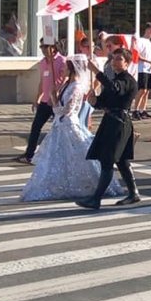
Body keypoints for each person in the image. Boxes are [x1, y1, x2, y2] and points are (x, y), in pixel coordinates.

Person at [21, 55, 124, 201]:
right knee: (58, 158)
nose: (62, 70)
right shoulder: (66, 85)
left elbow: (66, 110)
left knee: (78, 156)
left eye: (65, 68)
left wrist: (54, 99)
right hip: (60, 125)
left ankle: (93, 184)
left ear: (72, 69)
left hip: (69, 124)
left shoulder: (76, 87)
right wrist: (54, 96)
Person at [76, 49, 141, 210]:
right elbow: (103, 102)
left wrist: (96, 71)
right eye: (113, 58)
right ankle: (133, 193)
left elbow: (115, 88)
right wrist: (94, 100)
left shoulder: (128, 80)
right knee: (121, 160)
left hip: (120, 122)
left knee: (108, 159)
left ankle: (96, 199)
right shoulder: (114, 78)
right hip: (110, 121)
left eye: (119, 59)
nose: (114, 61)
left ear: (127, 63)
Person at [15, 40, 67, 164]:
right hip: (45, 101)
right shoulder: (43, 62)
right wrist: (38, 98)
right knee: (36, 127)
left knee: (61, 128)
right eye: (41, 47)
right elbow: (42, 82)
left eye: (45, 46)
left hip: (57, 101)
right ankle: (29, 154)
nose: (43, 49)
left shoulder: (62, 61)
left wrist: (54, 96)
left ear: (53, 47)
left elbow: (64, 80)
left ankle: (65, 153)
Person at [132, 23, 151, 120]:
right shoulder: (140, 41)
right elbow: (136, 55)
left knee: (147, 91)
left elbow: (150, 56)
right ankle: (135, 110)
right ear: (149, 30)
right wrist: (148, 61)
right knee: (142, 89)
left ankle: (143, 110)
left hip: (149, 69)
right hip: (141, 68)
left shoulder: (150, 43)